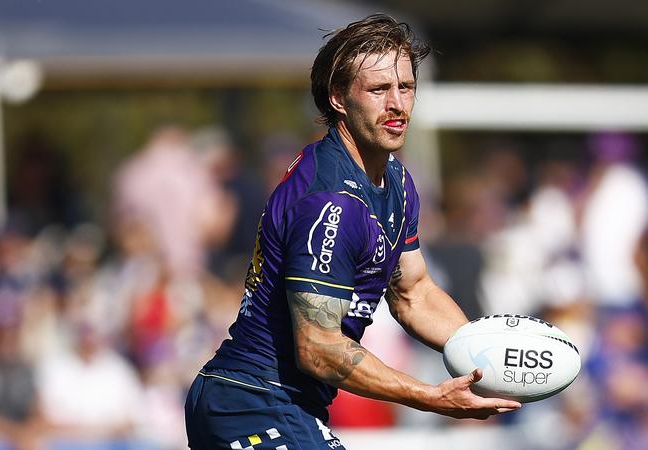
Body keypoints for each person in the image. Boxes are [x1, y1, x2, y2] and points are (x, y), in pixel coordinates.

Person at [185, 14, 521, 450]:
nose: (397, 104)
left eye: (406, 87)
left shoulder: (395, 180)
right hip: (251, 401)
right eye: (379, 90)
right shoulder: (333, 203)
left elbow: (413, 293)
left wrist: (487, 359)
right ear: (338, 98)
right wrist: (429, 397)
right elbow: (318, 347)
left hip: (287, 405)